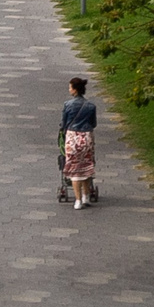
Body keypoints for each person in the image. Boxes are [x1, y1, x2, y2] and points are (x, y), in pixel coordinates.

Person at [60, 76, 100, 208]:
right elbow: (93, 123)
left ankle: (77, 200)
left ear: (75, 90)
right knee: (87, 166)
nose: (69, 89)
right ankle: (86, 196)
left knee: (75, 167)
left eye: (70, 87)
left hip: (72, 138)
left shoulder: (68, 105)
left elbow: (64, 123)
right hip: (87, 137)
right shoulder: (91, 106)